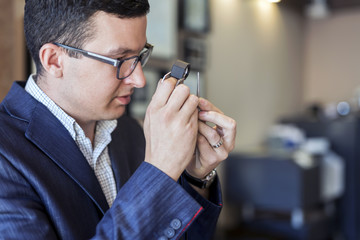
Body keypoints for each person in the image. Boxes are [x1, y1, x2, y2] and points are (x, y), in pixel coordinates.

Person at [0, 0, 236, 239]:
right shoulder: (4, 155)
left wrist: (195, 178)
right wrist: (159, 172)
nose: (140, 80)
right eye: (121, 60)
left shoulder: (130, 131)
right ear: (54, 60)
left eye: (140, 55)